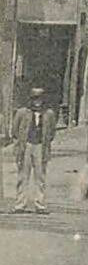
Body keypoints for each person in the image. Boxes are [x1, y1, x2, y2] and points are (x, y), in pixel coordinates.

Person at [11, 86, 57, 214]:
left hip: (40, 146)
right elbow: (15, 131)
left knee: (40, 176)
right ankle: (20, 204)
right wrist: (19, 145)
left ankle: (40, 204)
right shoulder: (22, 112)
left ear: (43, 100)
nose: (37, 102)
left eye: (40, 99)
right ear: (30, 99)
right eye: (35, 99)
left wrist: (45, 144)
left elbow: (52, 132)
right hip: (25, 146)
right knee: (23, 176)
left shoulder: (49, 114)